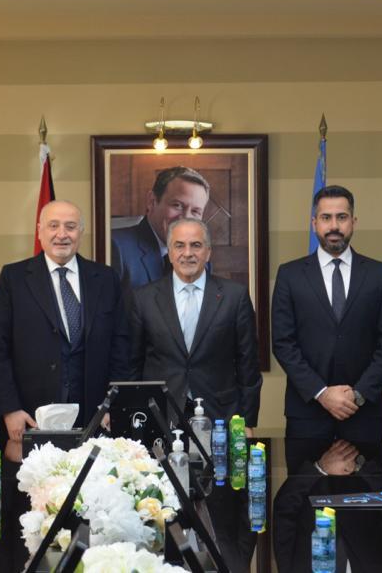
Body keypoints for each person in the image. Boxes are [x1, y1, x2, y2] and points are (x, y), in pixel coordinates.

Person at [0, 199, 132, 572]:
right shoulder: (14, 278)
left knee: (91, 525)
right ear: (39, 231)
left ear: (81, 232)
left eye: (70, 226)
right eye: (53, 226)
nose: (61, 234)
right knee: (28, 528)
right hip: (29, 425)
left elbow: (121, 347)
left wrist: (113, 405)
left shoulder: (105, 279)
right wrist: (9, 410)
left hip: (95, 425)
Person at [129, 216, 262, 572]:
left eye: (196, 245)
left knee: (222, 518)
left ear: (208, 252)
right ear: (169, 252)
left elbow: (248, 366)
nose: (188, 253)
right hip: (161, 422)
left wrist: (248, 422)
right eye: (180, 245)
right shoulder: (144, 298)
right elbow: (132, 365)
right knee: (162, 516)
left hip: (220, 423)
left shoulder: (233, 296)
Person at [271, 185, 382, 472]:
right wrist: (322, 393)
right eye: (326, 217)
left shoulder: (379, 274)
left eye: (341, 217)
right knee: (306, 494)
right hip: (307, 415)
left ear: (353, 221)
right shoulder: (290, 275)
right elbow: (283, 343)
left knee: (363, 497)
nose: (334, 226)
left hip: (363, 415)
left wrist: (357, 395)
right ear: (314, 223)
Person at [111, 166, 210, 291]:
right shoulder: (115, 247)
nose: (186, 218)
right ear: (152, 201)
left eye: (195, 211)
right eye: (177, 205)